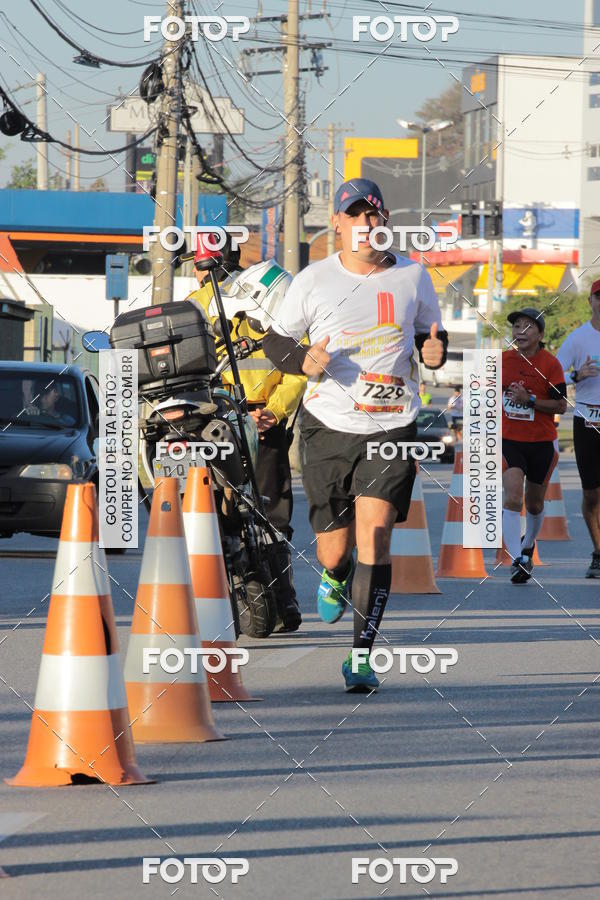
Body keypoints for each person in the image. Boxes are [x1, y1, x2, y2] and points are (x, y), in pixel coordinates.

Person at [262, 177, 448, 691]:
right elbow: (275, 342)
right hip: (328, 424)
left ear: (384, 222)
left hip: (393, 422)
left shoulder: (413, 276)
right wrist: (305, 360)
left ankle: (361, 656)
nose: (366, 224)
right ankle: (334, 574)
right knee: (333, 550)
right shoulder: (314, 280)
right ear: (338, 225)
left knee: (377, 535)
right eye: (355, 215)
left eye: (374, 215)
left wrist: (435, 354)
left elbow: (429, 335)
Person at [184, 236, 306, 631]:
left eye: (201, 265)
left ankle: (279, 600)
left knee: (265, 515)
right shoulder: (198, 305)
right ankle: (281, 600)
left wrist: (271, 412)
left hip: (244, 422)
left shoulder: (268, 298)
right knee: (267, 515)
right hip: (234, 420)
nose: (200, 273)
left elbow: (297, 365)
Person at [501, 307, 567, 584]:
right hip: (508, 440)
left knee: (536, 503)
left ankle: (528, 546)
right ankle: (517, 560)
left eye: (528, 327)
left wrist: (528, 400)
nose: (520, 332)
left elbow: (561, 405)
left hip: (541, 442)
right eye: (517, 326)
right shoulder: (501, 361)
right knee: (514, 497)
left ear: (540, 334)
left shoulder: (550, 364)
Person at [556, 280, 600, 578]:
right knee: (592, 495)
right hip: (588, 421)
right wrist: (576, 374)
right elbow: (553, 379)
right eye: (599, 297)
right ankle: (598, 551)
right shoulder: (577, 338)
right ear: (591, 301)